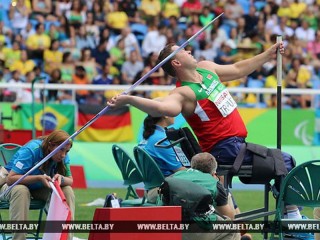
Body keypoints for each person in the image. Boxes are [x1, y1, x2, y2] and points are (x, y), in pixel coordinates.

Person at [107, 42, 301, 220]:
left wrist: (268, 55)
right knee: (284, 161)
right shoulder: (183, 93)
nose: (189, 50)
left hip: (238, 146)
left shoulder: (207, 68)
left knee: (283, 162)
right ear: (176, 62)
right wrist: (130, 100)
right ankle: (293, 220)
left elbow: (237, 69)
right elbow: (165, 109)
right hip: (224, 150)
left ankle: (286, 211)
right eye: (183, 50)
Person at [0, 130, 75, 240]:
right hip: (10, 185)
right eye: (61, 150)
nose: (63, 155)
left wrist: (61, 179)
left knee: (67, 190)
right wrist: (38, 177)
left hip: (38, 187)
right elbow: (11, 179)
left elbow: (70, 180)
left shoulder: (63, 156)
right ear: (51, 145)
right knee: (21, 190)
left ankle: (65, 238)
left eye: (67, 151)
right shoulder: (31, 150)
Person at [168, 152, 240, 240]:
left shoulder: (173, 177)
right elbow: (229, 216)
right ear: (213, 172)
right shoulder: (213, 183)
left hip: (168, 227)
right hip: (195, 230)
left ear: (192, 165)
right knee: (232, 229)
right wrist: (226, 193)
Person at [139, 114, 186, 203]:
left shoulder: (149, 136)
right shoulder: (160, 139)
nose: (175, 114)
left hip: (151, 189)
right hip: (162, 191)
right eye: (172, 111)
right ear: (165, 115)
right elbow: (179, 170)